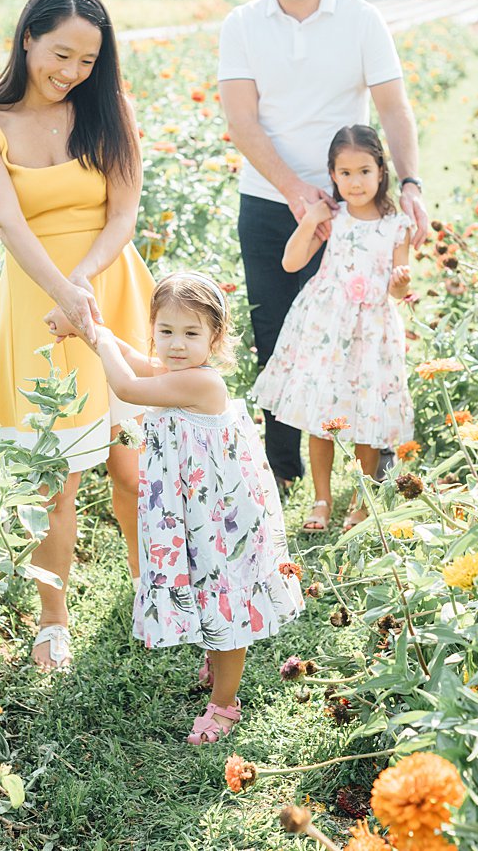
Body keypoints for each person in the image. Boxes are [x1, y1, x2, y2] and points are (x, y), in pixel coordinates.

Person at [0, 0, 154, 672]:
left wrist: (85, 285)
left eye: (87, 61)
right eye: (61, 53)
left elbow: (123, 214)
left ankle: (148, 587)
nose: (72, 72)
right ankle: (52, 620)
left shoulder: (110, 111)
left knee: (134, 466)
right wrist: (62, 294)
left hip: (113, 293)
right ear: (29, 37)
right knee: (55, 476)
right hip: (37, 305)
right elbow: (8, 223)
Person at [218, 0, 429, 502]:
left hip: (357, 207)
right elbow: (241, 120)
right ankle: (283, 471)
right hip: (269, 200)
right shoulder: (242, 24)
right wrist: (293, 190)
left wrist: (409, 185)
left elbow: (393, 107)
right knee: (278, 333)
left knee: (366, 335)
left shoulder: (361, 20)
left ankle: (376, 471)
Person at [88, 273, 304, 744]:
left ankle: (226, 703)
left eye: (191, 334)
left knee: (223, 591)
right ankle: (217, 650)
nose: (176, 345)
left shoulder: (203, 383)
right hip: (193, 510)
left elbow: (127, 384)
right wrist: (90, 330)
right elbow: (136, 361)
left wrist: (100, 336)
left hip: (219, 517)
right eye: (165, 332)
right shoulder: (178, 373)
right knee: (204, 580)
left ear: (215, 337)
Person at [251, 126, 414, 531]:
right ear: (332, 175)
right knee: (321, 414)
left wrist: (400, 285)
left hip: (372, 329)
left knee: (367, 416)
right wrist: (311, 220)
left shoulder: (397, 225)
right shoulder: (333, 217)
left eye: (363, 171)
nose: (355, 182)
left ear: (381, 170)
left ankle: (359, 501)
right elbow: (291, 263)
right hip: (326, 325)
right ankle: (321, 499)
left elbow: (400, 288)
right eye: (344, 173)